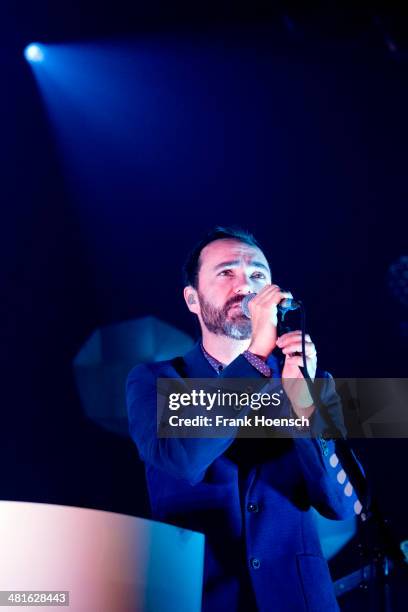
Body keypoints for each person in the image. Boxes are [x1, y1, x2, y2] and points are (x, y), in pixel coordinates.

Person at [126, 226, 364, 612]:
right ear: (192, 298)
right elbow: (183, 459)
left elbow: (341, 504)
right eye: (226, 273)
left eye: (258, 275)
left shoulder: (303, 378)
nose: (245, 285)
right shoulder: (156, 380)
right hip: (205, 598)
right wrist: (254, 359)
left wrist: (305, 402)